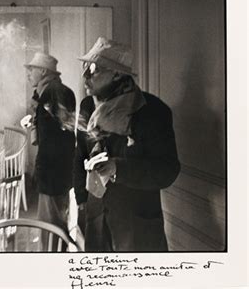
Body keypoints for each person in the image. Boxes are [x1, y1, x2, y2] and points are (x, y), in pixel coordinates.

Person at [73, 37, 180, 252]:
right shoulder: (87, 106)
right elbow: (80, 153)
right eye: (84, 67)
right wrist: (81, 199)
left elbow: (168, 171)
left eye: (93, 69)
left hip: (137, 225)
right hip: (96, 219)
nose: (85, 76)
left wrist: (118, 168)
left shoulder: (151, 111)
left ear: (116, 74)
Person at [22, 52, 76, 246]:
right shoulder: (53, 91)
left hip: (53, 173)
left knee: (51, 228)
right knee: (53, 226)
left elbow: (58, 137)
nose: (29, 74)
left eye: (32, 70)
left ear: (43, 71)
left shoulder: (53, 92)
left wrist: (42, 172)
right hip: (56, 171)